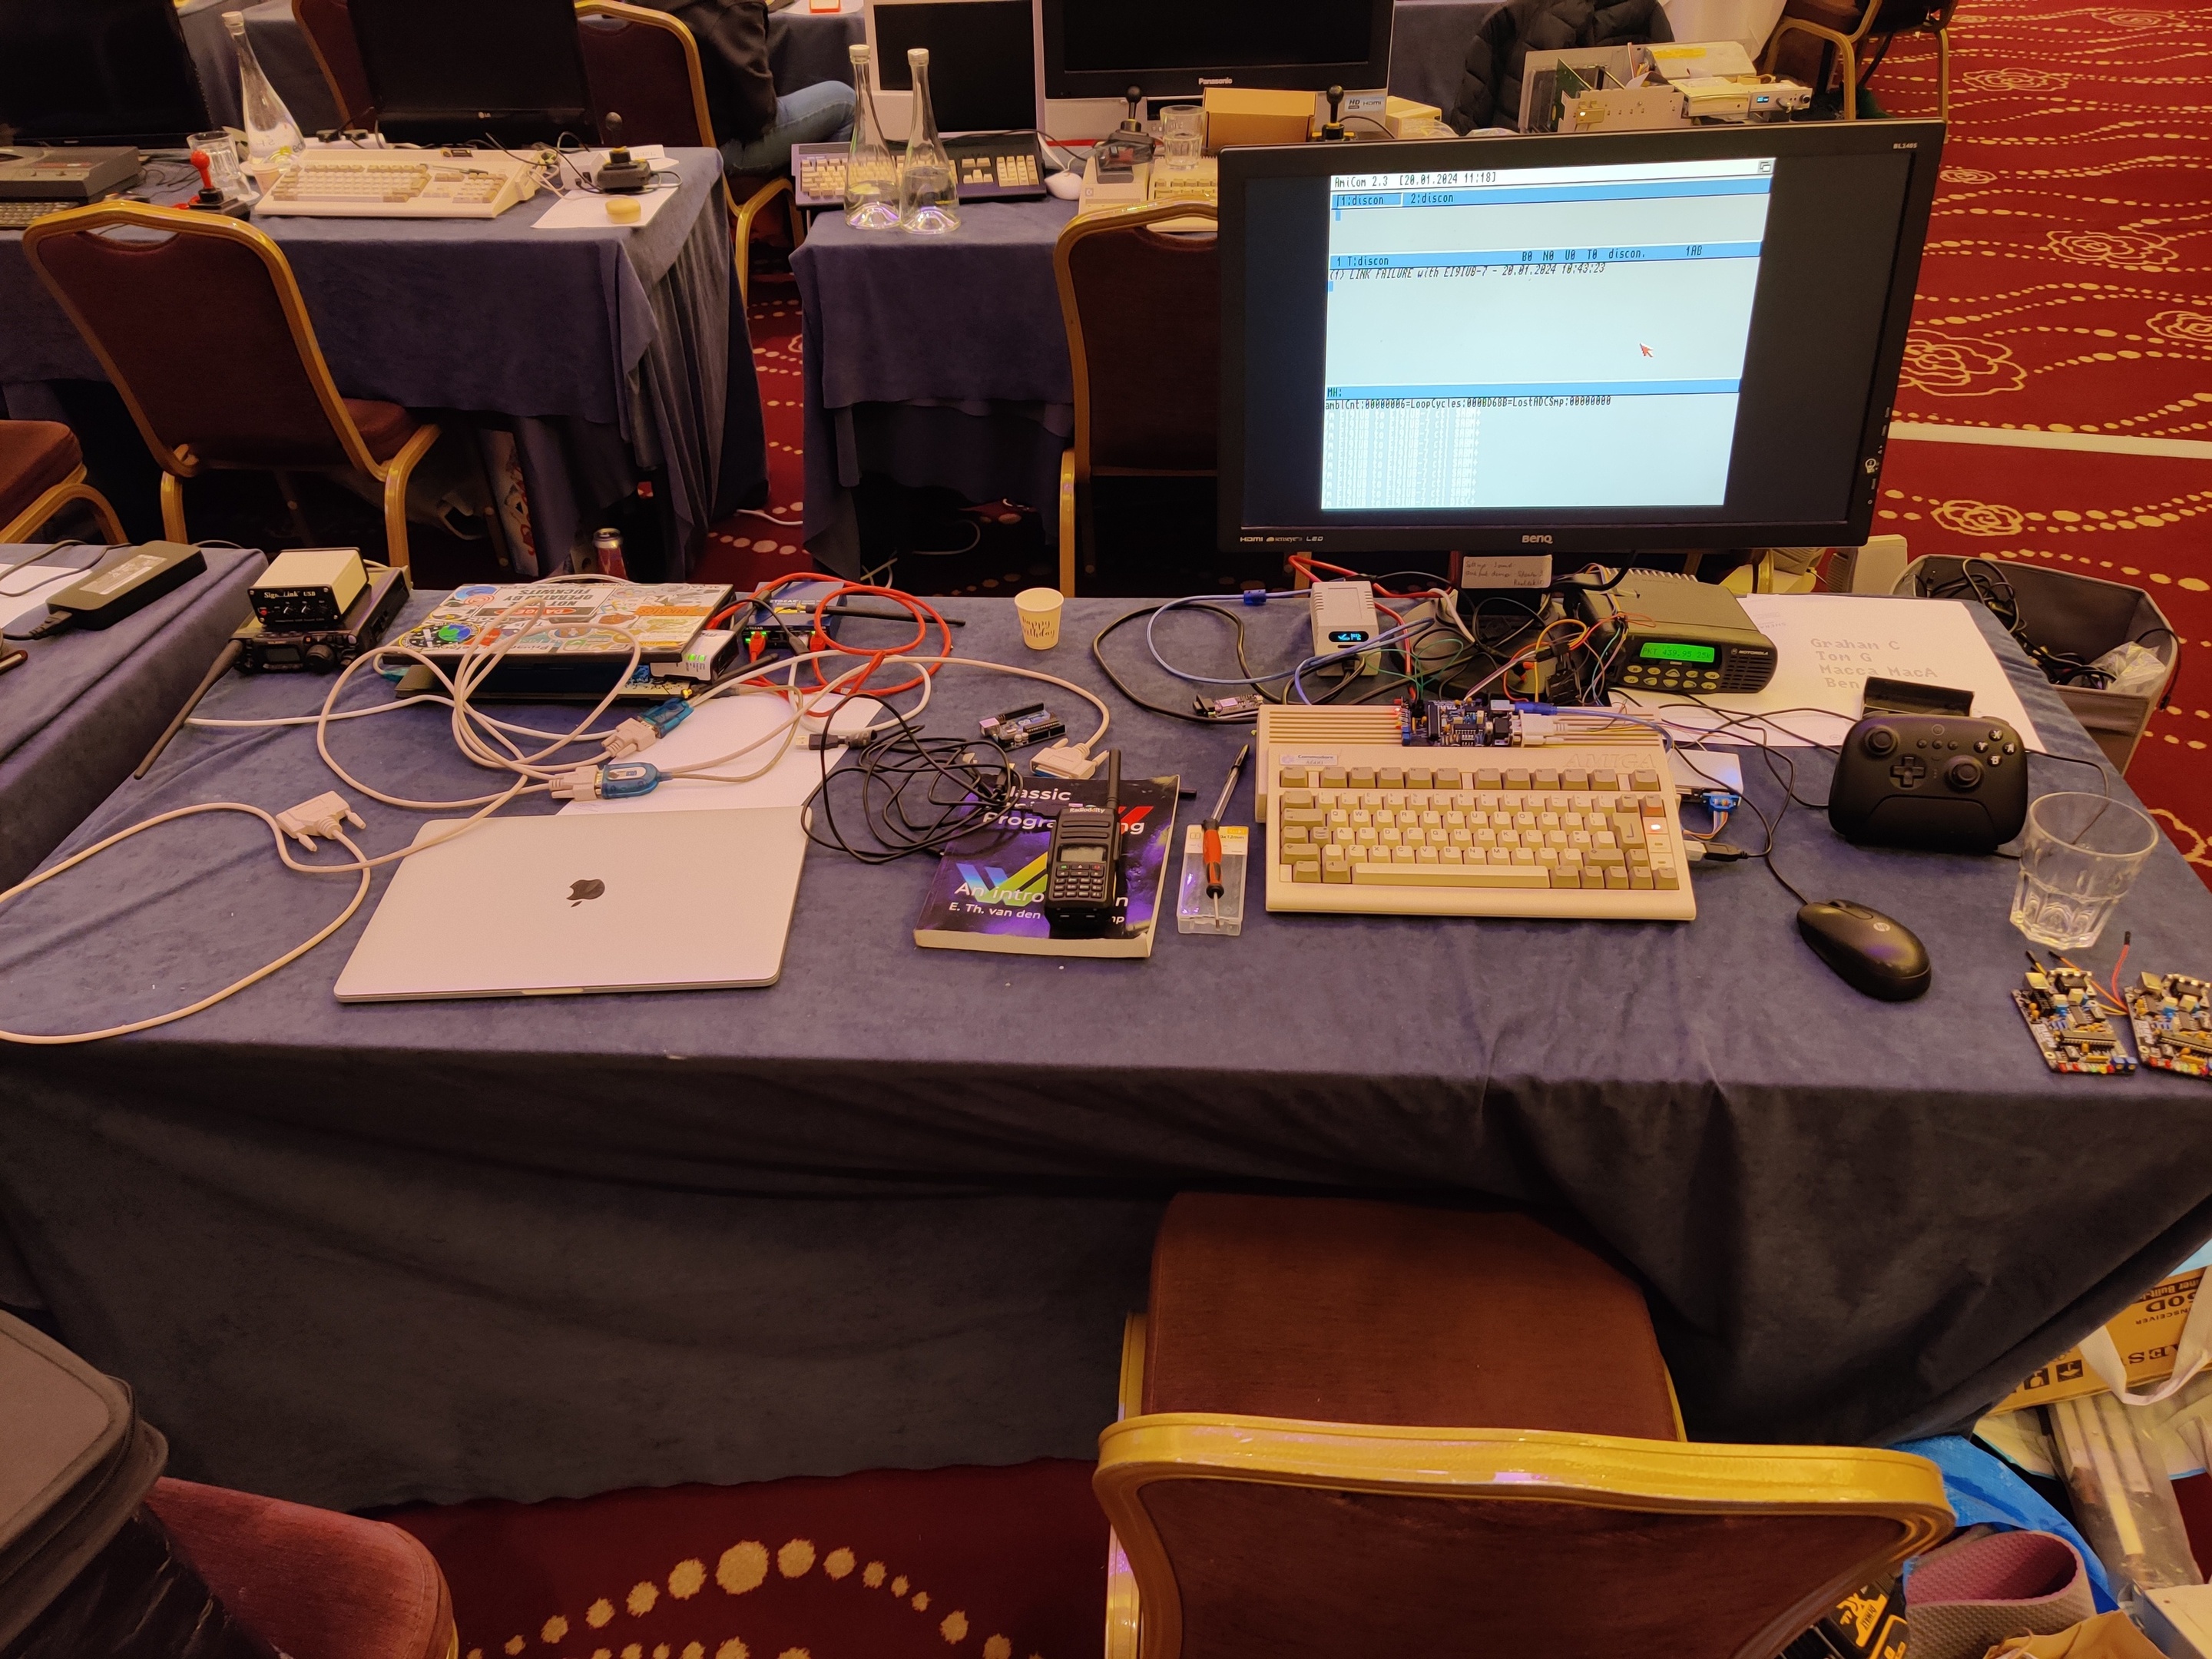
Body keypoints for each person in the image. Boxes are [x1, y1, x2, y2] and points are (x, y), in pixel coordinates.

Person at [645, 0, 854, 174]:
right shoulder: (736, 7)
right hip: (720, 152)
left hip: (647, 152)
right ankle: (823, 208)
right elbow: (759, 119)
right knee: (845, 101)